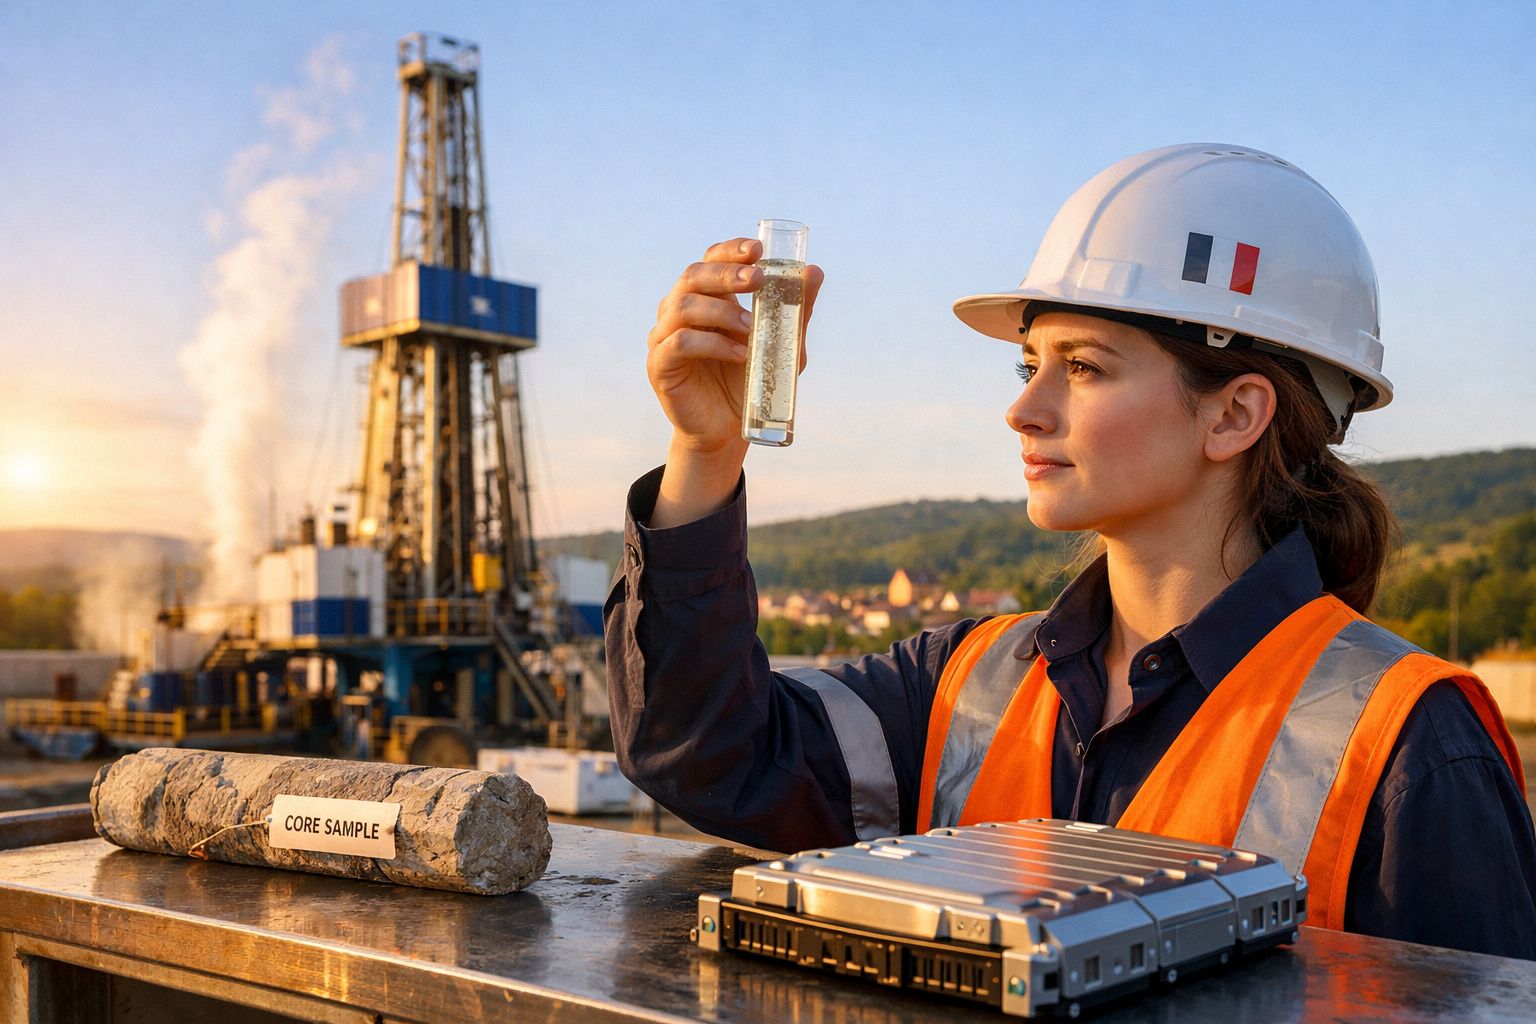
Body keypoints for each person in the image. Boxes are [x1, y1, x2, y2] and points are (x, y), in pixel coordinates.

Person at [604, 144, 1536, 959]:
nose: (1024, 408)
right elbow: (707, 749)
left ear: (1234, 414)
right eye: (1029, 362)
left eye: (1083, 366)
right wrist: (706, 452)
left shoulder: (1411, 747)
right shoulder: (964, 684)